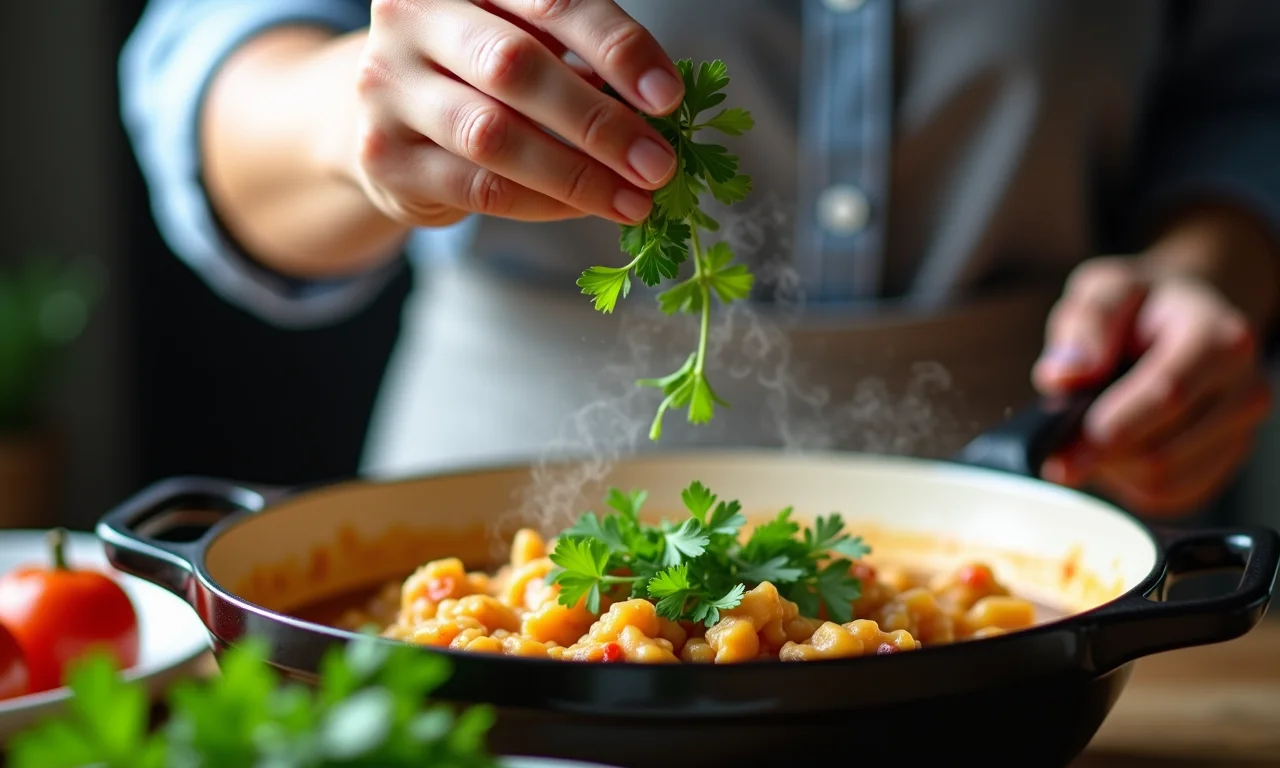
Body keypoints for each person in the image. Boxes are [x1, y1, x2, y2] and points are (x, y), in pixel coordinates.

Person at [119, 0, 1280, 519]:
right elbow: (208, 61)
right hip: (487, 511)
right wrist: (347, 123)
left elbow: (1241, 92)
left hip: (1059, 495)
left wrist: (1205, 270)